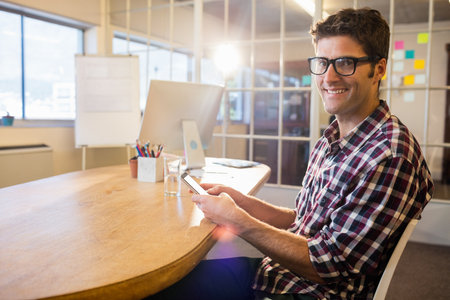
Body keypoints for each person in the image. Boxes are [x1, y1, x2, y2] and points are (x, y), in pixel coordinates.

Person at [148, 7, 434, 300]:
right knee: (166, 284)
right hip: (281, 275)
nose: (329, 77)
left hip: (307, 291)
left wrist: (238, 221)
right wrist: (243, 203)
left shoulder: (389, 155)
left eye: (345, 63)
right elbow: (304, 220)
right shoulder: (333, 138)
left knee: (163, 291)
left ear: (379, 69)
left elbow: (328, 264)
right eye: (322, 63)